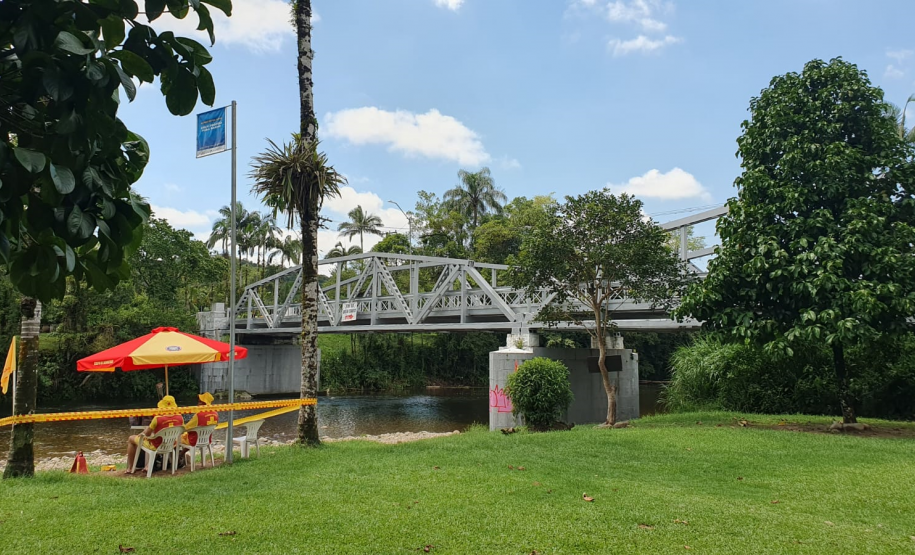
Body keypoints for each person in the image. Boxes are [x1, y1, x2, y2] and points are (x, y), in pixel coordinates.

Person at [127, 395, 184, 474]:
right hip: (171, 444)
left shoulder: (157, 418)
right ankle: (148, 465)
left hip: (156, 445)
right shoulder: (180, 417)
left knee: (131, 438)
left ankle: (130, 468)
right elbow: (182, 430)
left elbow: (146, 433)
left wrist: (139, 435)